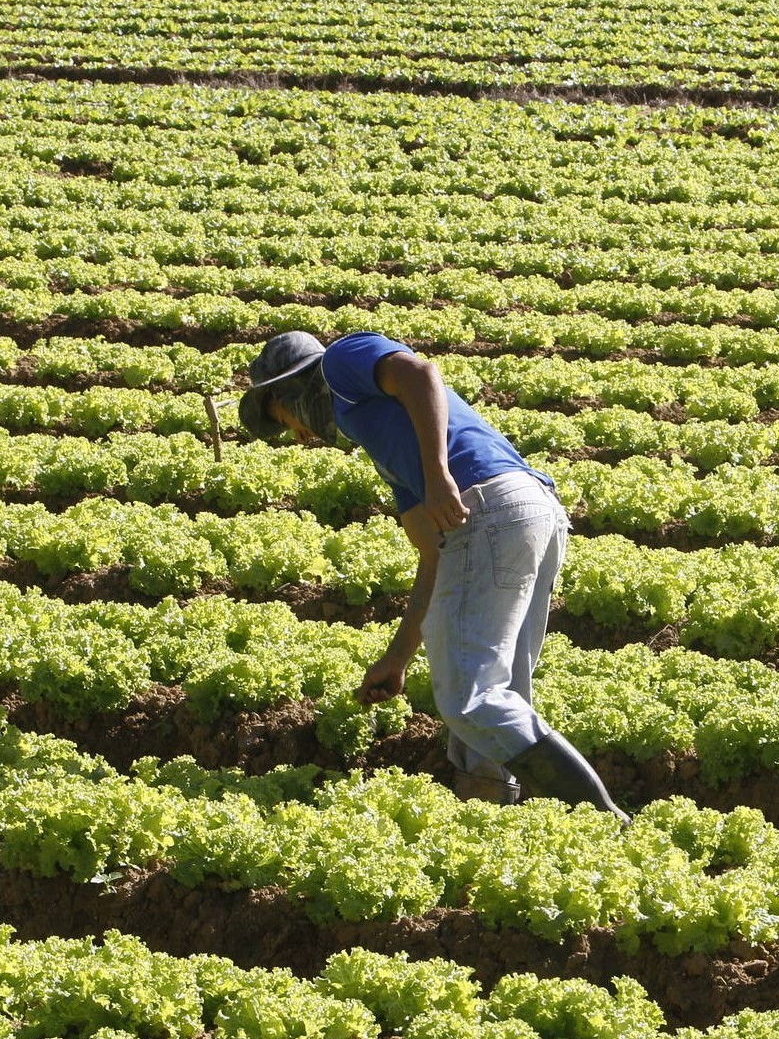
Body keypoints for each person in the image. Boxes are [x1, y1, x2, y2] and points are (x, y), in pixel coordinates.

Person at [237, 329, 626, 819]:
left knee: (470, 698)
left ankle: (604, 819)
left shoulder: (340, 363)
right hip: (528, 513)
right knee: (496, 696)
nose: (297, 435)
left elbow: (421, 374)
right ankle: (487, 816)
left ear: (289, 390)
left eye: (282, 419)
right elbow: (435, 557)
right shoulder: (386, 446)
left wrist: (440, 475)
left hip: (490, 507)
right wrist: (397, 659)